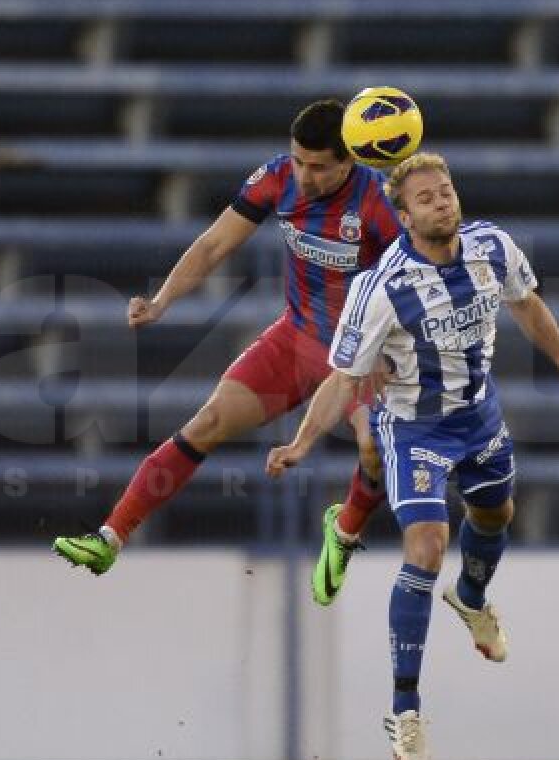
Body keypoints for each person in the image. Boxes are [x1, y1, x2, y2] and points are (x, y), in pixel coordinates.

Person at [266, 152, 559, 760]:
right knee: (427, 543)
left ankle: (472, 597)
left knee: (496, 511)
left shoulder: (494, 248)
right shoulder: (384, 288)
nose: (440, 201)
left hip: (478, 418)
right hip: (414, 428)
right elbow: (343, 377)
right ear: (403, 216)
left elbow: (529, 305)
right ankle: (406, 711)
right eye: (424, 198)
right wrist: (301, 442)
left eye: (445, 190)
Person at [53, 99, 402, 592]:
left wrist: (389, 354)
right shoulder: (277, 179)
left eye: (318, 166)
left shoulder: (377, 203)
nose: (304, 175)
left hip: (361, 351)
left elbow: (411, 289)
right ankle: (110, 537)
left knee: (373, 448)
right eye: (298, 160)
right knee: (208, 423)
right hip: (298, 337)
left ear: (350, 161)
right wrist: (161, 301)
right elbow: (215, 244)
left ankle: (342, 533)